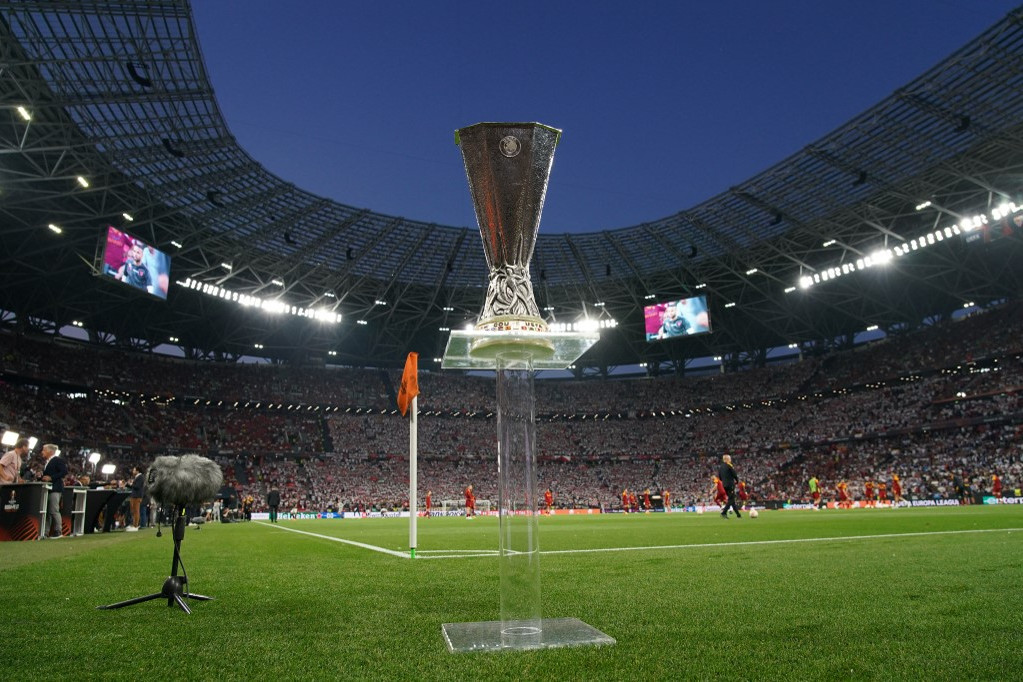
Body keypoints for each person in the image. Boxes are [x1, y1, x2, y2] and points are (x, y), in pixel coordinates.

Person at [40, 444, 68, 538]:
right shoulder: (48, 461)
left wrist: (51, 477)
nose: (42, 452)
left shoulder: (57, 460)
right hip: (48, 488)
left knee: (53, 510)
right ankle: (46, 532)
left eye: (44, 450)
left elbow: (64, 472)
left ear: (50, 451)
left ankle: (58, 531)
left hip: (55, 488)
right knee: (48, 511)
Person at [717, 454, 741, 518]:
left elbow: (720, 477)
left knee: (732, 499)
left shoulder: (721, 467)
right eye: (730, 459)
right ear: (727, 459)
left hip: (724, 485)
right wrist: (737, 480)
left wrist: (724, 481)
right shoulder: (729, 465)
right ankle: (724, 512)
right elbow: (734, 474)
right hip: (730, 484)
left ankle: (738, 515)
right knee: (731, 499)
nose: (730, 460)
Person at [126, 467, 144, 531]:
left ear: (137, 471)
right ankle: (134, 524)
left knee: (136, 511)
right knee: (133, 511)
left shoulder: (140, 477)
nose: (133, 471)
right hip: (135, 496)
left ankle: (135, 526)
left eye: (134, 470)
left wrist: (130, 484)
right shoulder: (137, 477)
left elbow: (137, 487)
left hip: (137, 496)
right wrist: (128, 485)